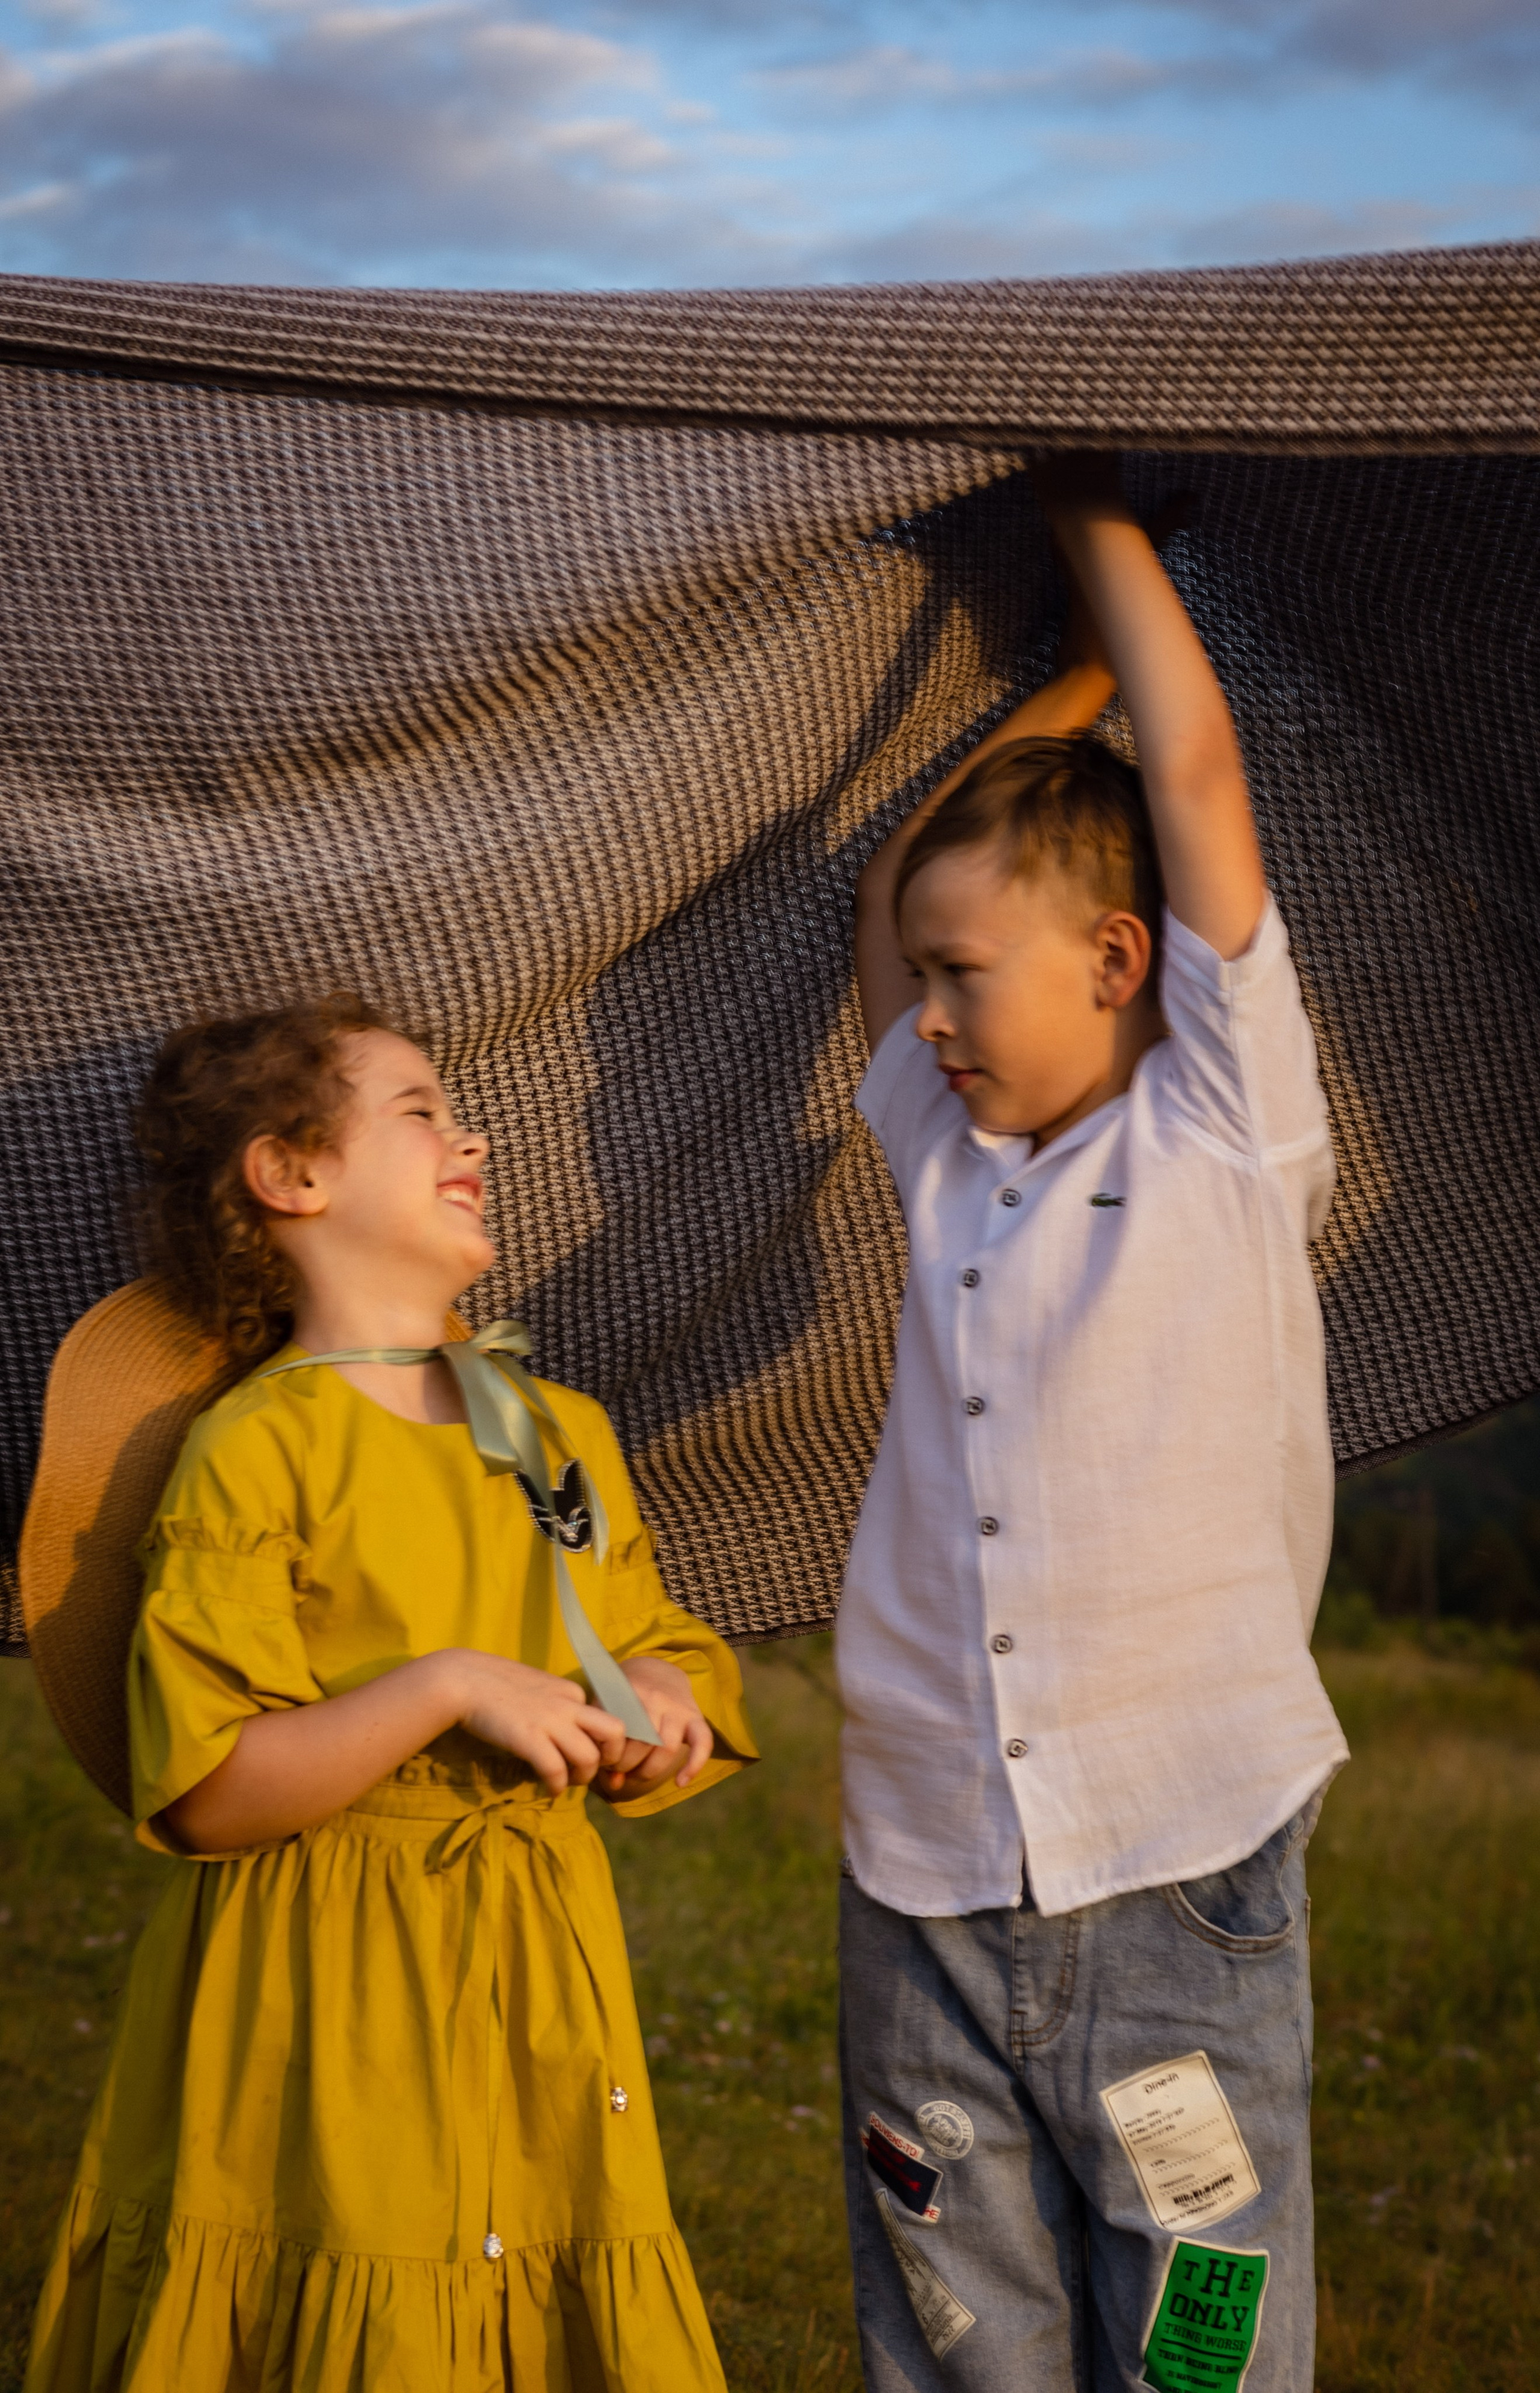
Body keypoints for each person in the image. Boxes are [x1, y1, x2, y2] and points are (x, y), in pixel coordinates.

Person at [24, 994, 755, 2393]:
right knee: (365, 2270)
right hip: (333, 1975)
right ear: (291, 1176)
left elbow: (645, 1637)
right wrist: (442, 1687)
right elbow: (213, 1789)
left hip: (533, 1957)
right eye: (420, 1111)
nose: (469, 1135)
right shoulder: (260, 1450)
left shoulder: (552, 1429)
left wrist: (657, 1698)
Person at [837, 452, 1348, 2392]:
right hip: (925, 1860)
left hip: (1171, 1847)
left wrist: (1096, 526)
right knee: (959, 2320)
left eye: (975, 982)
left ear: (1122, 964)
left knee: (1197, 2324)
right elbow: (904, 888)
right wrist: (1054, 687)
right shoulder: (942, 1156)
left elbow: (1197, 781)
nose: (935, 1016)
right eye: (933, 989)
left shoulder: (1220, 1126)